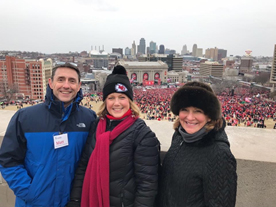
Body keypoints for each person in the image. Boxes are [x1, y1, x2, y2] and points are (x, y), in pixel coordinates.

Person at [0, 63, 97, 207]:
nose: (66, 85)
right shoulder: (25, 117)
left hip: (73, 202)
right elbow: (8, 160)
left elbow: (92, 162)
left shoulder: (89, 118)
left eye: (72, 81)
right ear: (51, 83)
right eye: (61, 79)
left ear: (78, 86)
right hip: (34, 202)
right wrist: (30, 192)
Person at [67, 65, 160, 207]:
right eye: (111, 97)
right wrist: (75, 201)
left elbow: (147, 186)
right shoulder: (96, 126)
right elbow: (83, 167)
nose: (116, 103)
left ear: (129, 101)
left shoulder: (143, 134)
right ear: (105, 101)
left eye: (122, 97)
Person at [158, 81, 237, 207]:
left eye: (198, 111)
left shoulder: (219, 154)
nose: (190, 117)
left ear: (210, 116)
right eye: (185, 110)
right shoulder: (179, 137)